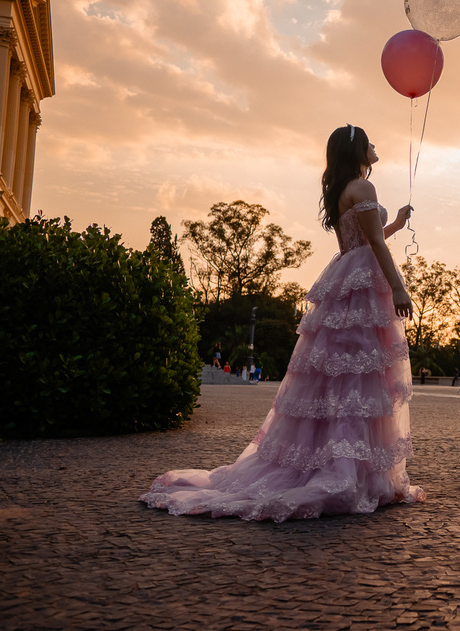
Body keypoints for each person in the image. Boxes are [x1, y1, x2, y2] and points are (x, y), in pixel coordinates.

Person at [140, 124, 423, 521]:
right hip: (363, 282)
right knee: (357, 378)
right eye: (370, 142)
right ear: (357, 150)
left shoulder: (342, 189)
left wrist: (395, 224)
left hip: (346, 274)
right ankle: (349, 472)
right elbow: (372, 245)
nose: (375, 147)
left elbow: (361, 242)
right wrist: (398, 289)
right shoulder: (364, 189)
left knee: (339, 379)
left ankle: (341, 464)